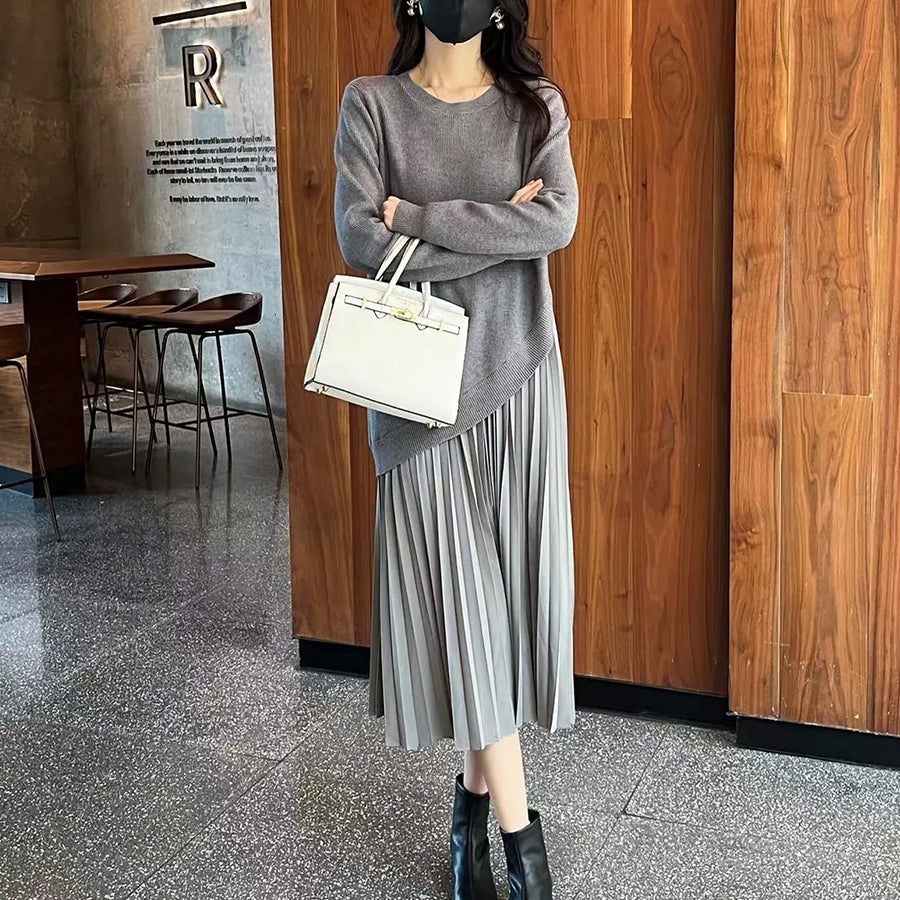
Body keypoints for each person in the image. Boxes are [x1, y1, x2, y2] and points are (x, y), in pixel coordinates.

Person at [333, 1, 578, 897]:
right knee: (468, 611)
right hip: (417, 400)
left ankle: (470, 811)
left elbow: (555, 224)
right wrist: (494, 226)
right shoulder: (371, 104)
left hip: (519, 380)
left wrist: (418, 216)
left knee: (498, 613)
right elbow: (362, 241)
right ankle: (523, 850)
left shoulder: (535, 106)